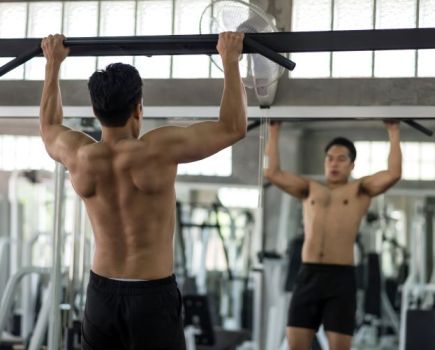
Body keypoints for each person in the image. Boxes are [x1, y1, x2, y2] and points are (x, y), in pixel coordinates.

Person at [39, 32, 247, 350]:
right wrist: (230, 59)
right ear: (138, 108)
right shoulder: (158, 149)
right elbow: (233, 126)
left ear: (95, 111)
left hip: (101, 294)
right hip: (152, 296)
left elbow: (49, 125)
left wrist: (52, 63)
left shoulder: (78, 154)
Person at [264, 121, 401, 350]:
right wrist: (274, 130)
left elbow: (394, 173)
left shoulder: (360, 190)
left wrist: (393, 131)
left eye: (341, 159)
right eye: (329, 158)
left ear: (352, 165)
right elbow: (273, 172)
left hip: (340, 279)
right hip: (308, 275)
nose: (333, 163)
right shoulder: (309, 189)